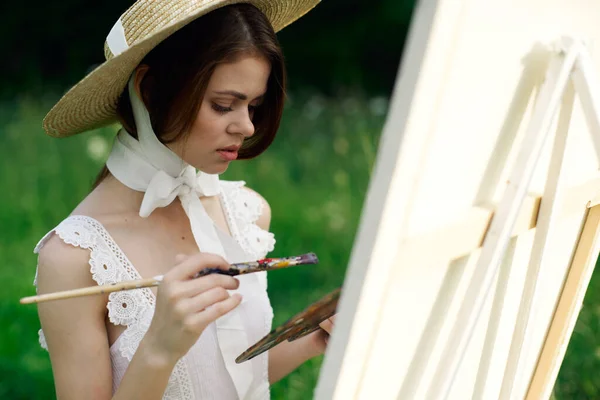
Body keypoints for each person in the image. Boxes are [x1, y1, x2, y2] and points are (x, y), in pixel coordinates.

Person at [32, 1, 335, 399]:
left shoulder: (246, 213)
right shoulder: (74, 258)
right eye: (223, 105)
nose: (245, 126)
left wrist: (314, 336)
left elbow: (229, 379)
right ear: (150, 89)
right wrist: (159, 348)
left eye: (254, 106)